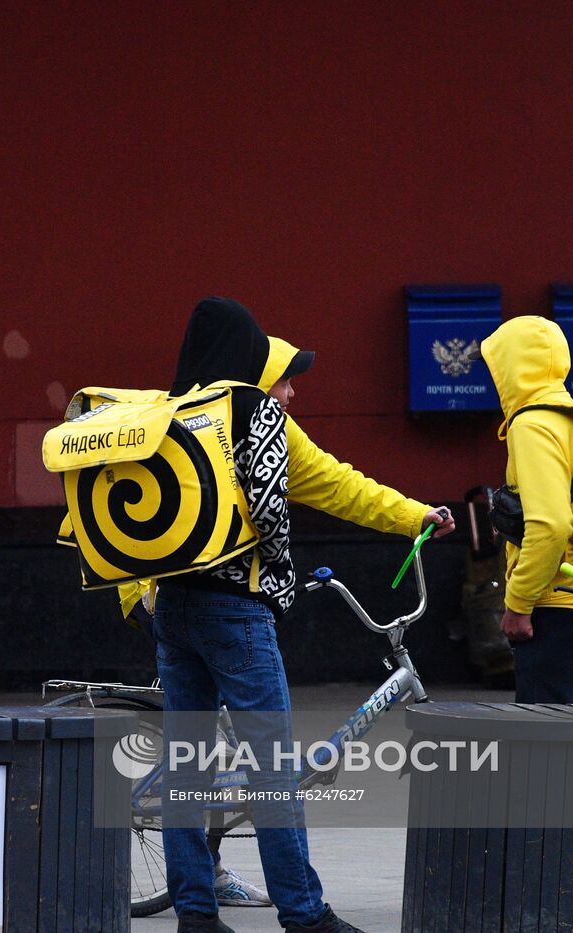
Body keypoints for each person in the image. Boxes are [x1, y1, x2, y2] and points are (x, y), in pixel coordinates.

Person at [154, 297, 454, 933]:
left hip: (173, 608)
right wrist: (282, 579)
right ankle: (303, 912)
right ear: (251, 363)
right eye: (282, 375)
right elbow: (279, 503)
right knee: (274, 773)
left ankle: (195, 916)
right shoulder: (251, 412)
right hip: (237, 608)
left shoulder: (165, 414)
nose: (289, 392)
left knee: (186, 766)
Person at [479, 315, 573, 703]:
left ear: (512, 366)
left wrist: (518, 604)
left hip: (559, 605)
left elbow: (550, 525)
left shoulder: (534, 424)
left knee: (545, 751)